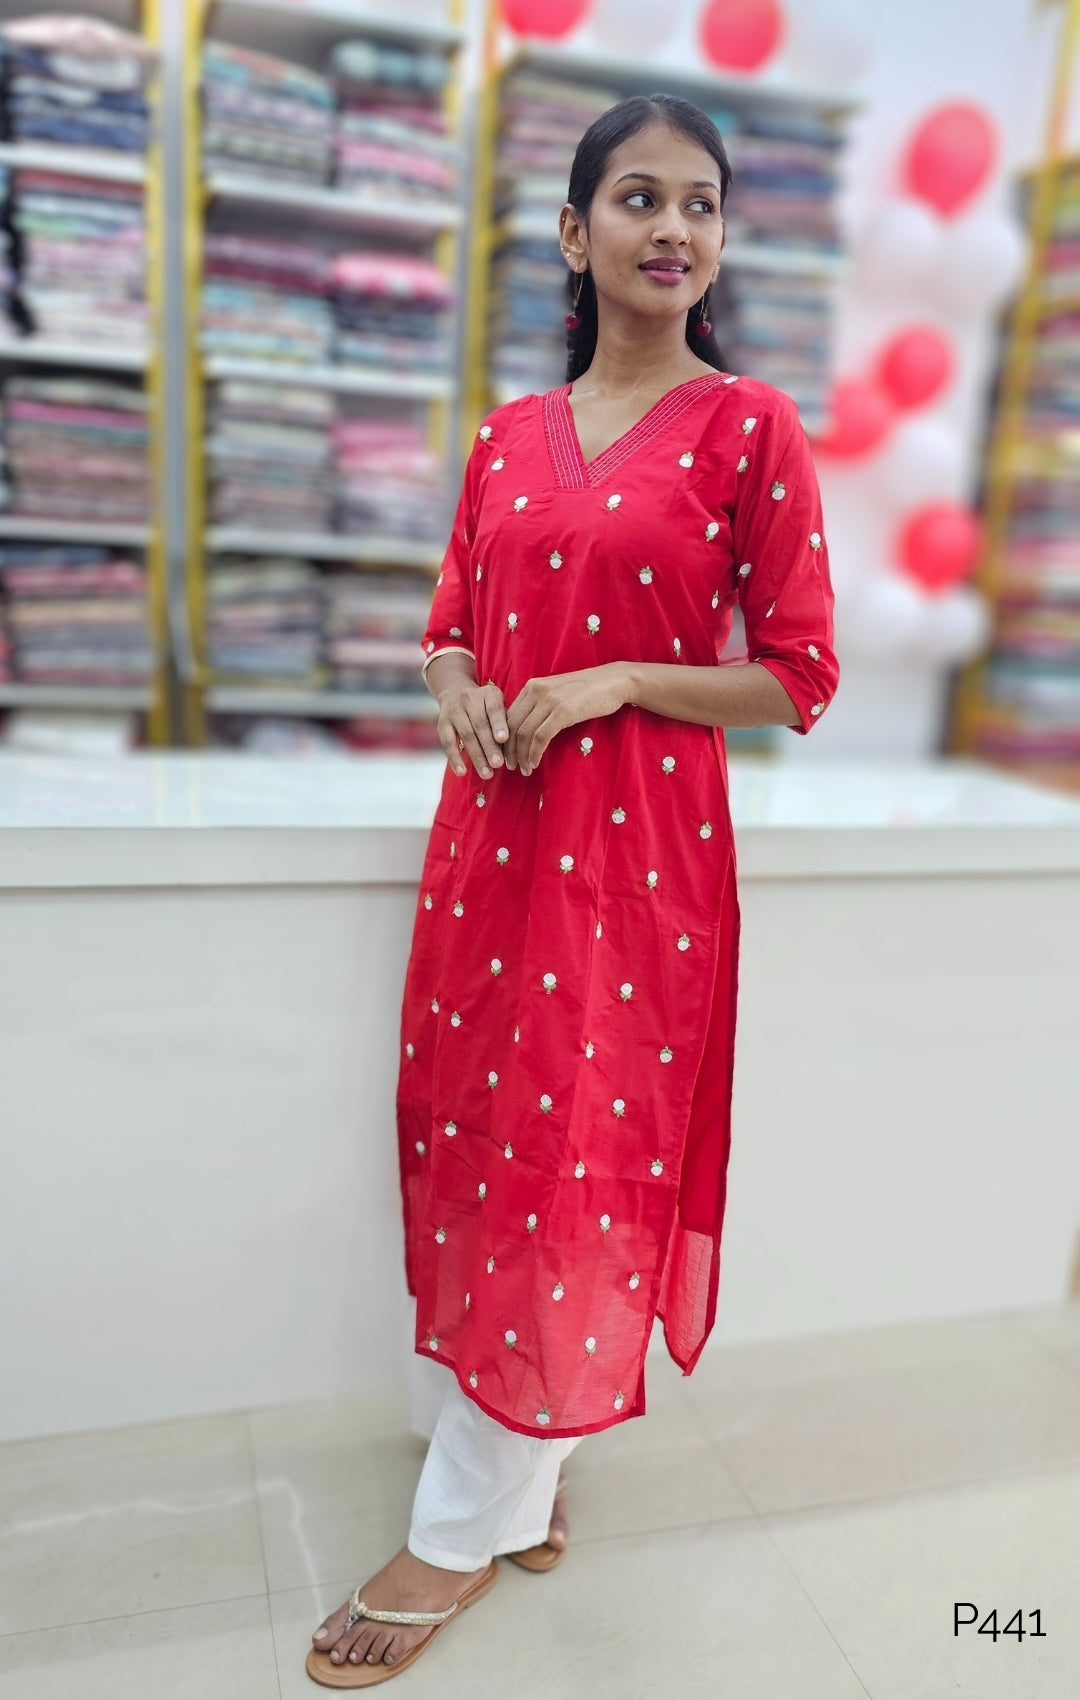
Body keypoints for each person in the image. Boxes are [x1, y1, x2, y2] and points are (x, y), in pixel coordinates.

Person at [307, 91, 839, 1687]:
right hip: (492, 847)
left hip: (634, 860)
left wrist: (619, 674)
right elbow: (452, 618)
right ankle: (523, 1464)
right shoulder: (502, 437)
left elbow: (799, 675)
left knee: (578, 1150)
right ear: (573, 229)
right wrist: (461, 680)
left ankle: (461, 1525)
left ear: (721, 239)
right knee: (483, 1135)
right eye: (638, 199)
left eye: (702, 204)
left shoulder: (748, 426)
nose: (674, 228)